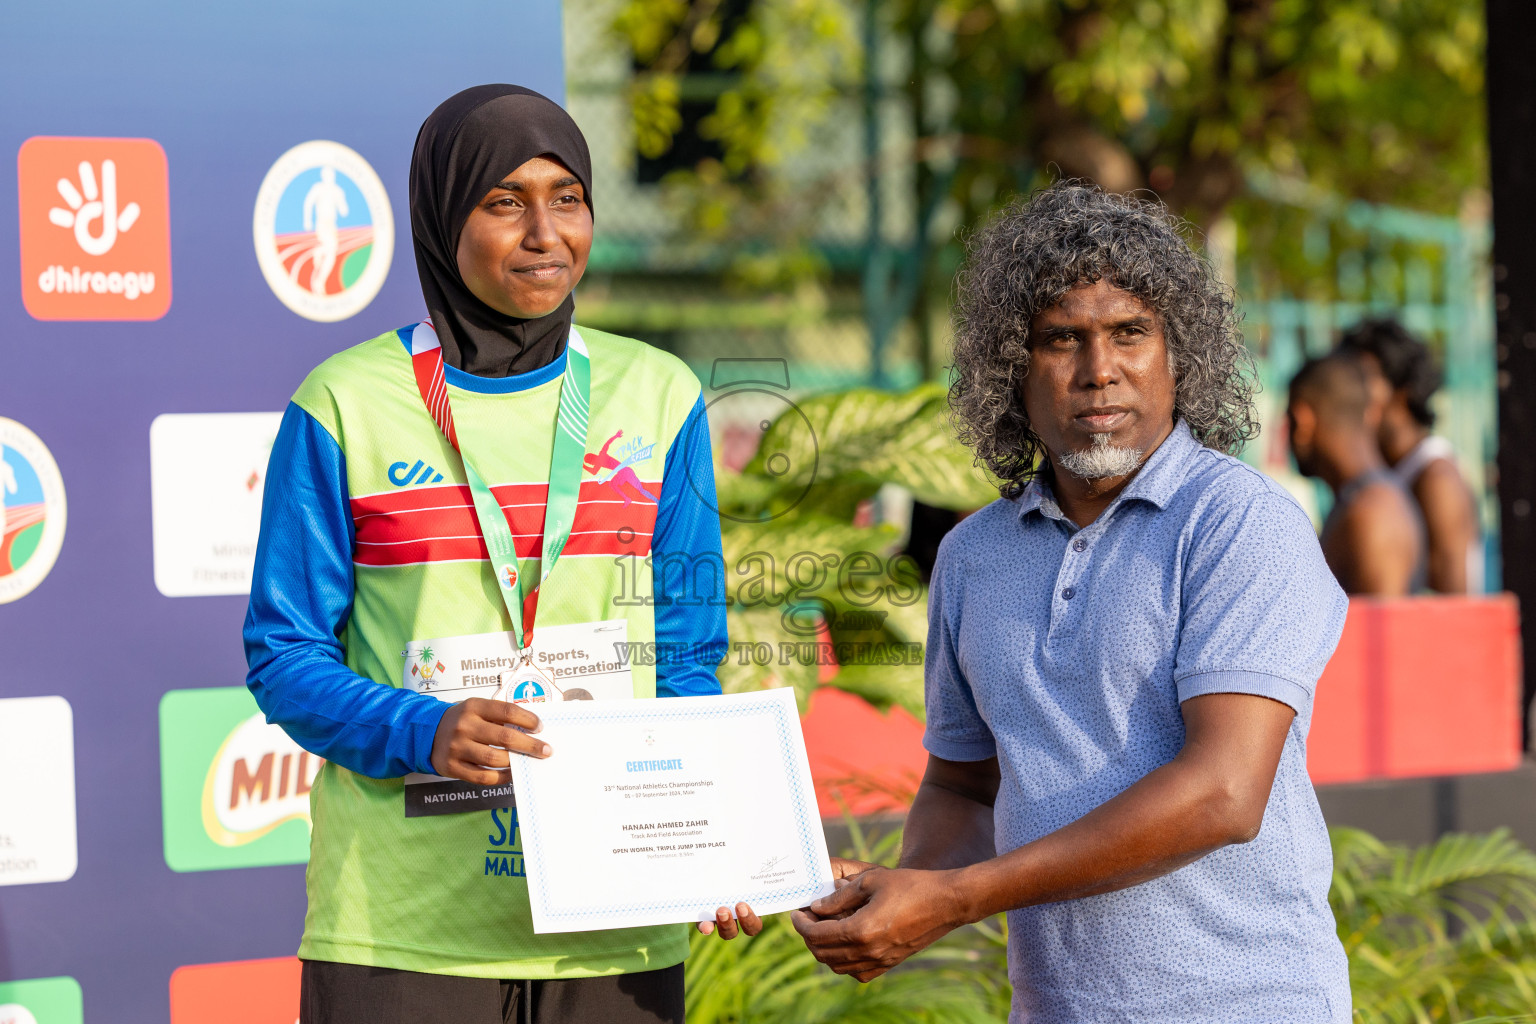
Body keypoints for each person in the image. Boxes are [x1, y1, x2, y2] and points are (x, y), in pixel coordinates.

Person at [244, 85, 755, 1024]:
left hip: (615, 921)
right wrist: (422, 731)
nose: (545, 233)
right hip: (402, 926)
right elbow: (284, 654)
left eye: (568, 197)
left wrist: (704, 838)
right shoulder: (344, 403)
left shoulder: (660, 394)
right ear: (444, 219)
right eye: (504, 201)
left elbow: (685, 653)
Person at [791, 183, 1353, 1022]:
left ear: (1179, 354)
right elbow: (964, 788)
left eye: (1131, 332)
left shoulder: (1242, 523)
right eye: (1062, 339)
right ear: (1011, 370)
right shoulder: (973, 555)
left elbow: (1224, 794)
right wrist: (906, 891)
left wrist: (959, 899)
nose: (1100, 371)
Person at [1337, 318, 1482, 593]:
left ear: (1402, 388)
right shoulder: (1388, 470)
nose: (1352, 393)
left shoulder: (1436, 478)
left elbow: (1454, 608)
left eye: (1363, 380)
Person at [1288, 354, 1426, 596]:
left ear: (1303, 421)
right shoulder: (1363, 503)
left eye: (1288, 421)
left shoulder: (1373, 513)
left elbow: (1381, 631)